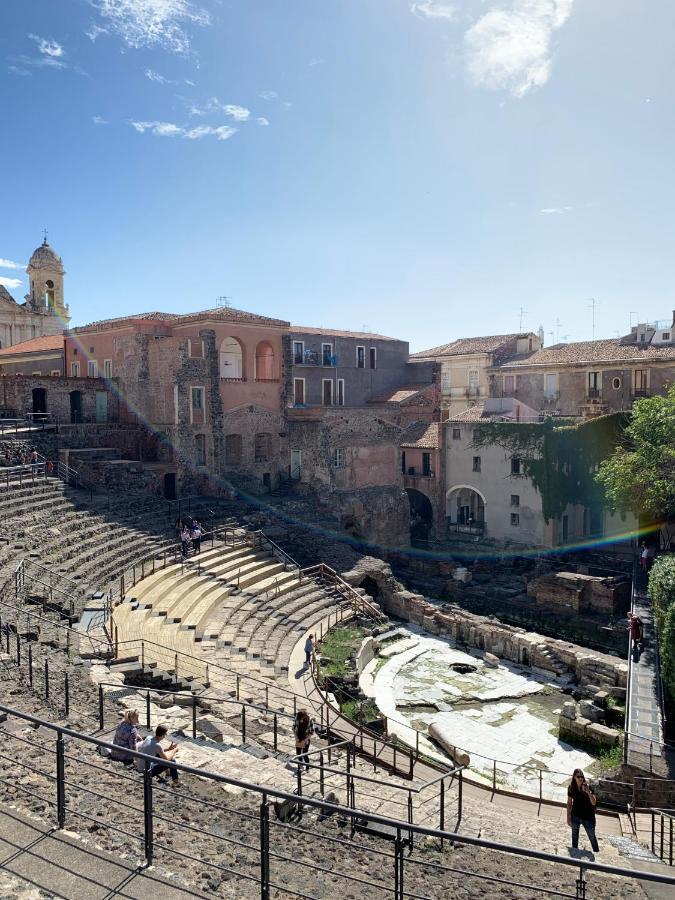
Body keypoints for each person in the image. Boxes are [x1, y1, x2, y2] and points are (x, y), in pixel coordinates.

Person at [567, 769, 599, 853]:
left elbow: (594, 802)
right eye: (578, 776)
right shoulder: (571, 788)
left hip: (588, 817)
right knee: (574, 836)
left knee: (592, 837)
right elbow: (569, 803)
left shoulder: (588, 787)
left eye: (582, 776)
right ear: (574, 777)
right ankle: (575, 853)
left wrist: (588, 792)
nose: (580, 778)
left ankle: (597, 854)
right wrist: (568, 817)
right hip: (575, 815)